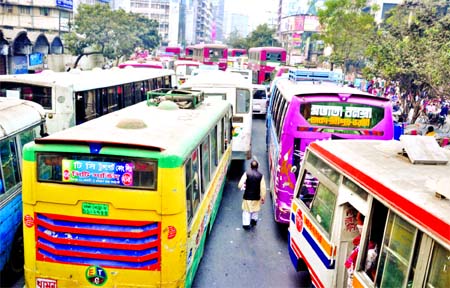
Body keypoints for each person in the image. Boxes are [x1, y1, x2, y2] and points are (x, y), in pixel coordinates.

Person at [237, 160, 266, 230]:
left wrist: (241, 187)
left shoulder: (246, 174)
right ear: (258, 167)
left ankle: (246, 225)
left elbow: (240, 185)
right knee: (255, 210)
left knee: (246, 211)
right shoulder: (261, 176)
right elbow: (263, 188)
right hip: (256, 196)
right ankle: (253, 221)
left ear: (250, 166)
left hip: (247, 196)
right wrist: (263, 197)